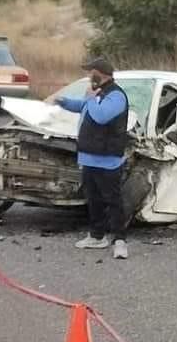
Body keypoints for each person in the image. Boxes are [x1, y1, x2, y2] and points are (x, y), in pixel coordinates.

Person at [55, 57, 130, 259]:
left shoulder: (116, 96)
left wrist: (89, 98)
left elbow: (101, 116)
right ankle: (97, 236)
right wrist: (64, 102)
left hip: (108, 159)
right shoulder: (97, 93)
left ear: (100, 74)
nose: (88, 75)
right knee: (94, 200)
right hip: (89, 156)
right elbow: (85, 107)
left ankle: (120, 241)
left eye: (91, 72)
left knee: (113, 201)